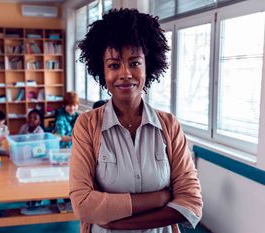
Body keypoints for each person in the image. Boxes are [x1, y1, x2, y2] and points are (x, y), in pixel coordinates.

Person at [70, 8, 202, 233]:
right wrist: (159, 198)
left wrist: (117, 222)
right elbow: (83, 204)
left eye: (134, 63)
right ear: (102, 71)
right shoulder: (87, 125)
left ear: (147, 66)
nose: (125, 73)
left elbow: (191, 203)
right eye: (113, 65)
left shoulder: (169, 126)